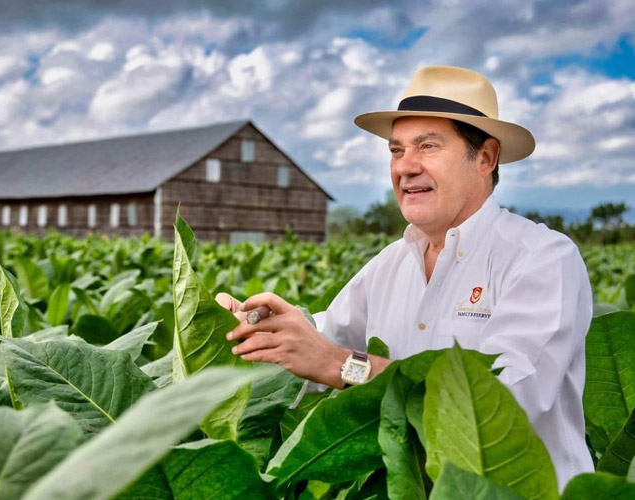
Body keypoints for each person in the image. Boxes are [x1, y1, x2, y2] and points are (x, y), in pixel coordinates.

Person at [216, 65, 593, 487]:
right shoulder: (390, 264)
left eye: (427, 146)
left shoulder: (541, 258)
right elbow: (323, 344)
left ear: (485, 157)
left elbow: (500, 406)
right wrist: (254, 333)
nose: (405, 167)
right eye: (396, 151)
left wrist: (341, 365)